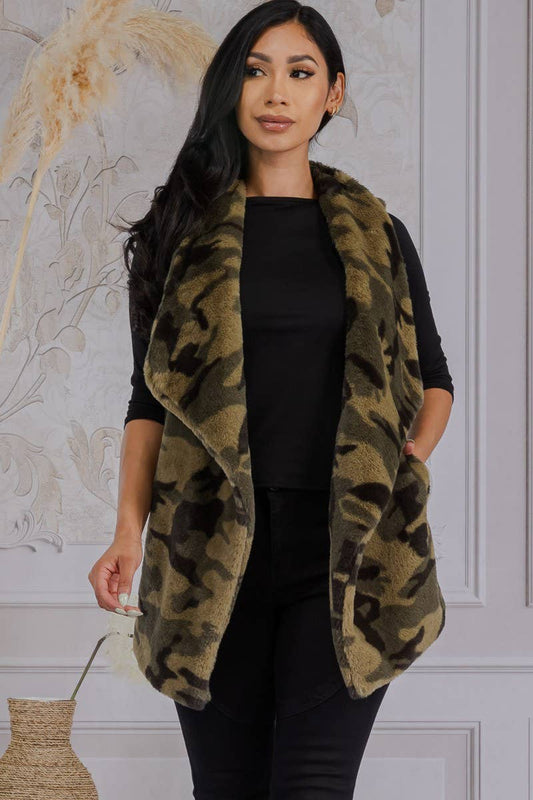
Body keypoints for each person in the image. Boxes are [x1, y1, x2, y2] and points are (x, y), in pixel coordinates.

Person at [88, 2, 454, 797]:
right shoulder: (178, 236)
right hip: (209, 549)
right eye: (255, 71)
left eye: (299, 72)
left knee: (313, 786)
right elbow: (148, 402)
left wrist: (404, 464)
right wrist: (125, 533)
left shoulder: (378, 236)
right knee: (226, 788)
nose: (275, 92)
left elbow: (433, 380)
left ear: (332, 93)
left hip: (345, 549)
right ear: (231, 89)